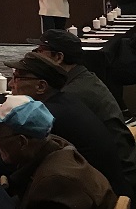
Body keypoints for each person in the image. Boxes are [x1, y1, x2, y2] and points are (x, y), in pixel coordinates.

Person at [5, 51, 132, 201]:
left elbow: (15, 159)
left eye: (17, 78)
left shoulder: (48, 116)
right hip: (105, 192)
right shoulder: (66, 101)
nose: (10, 84)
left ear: (41, 86)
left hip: (94, 203)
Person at [30, 29, 136, 197]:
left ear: (58, 57)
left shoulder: (72, 93)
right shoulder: (83, 78)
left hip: (116, 182)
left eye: (40, 51)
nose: (34, 55)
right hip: (119, 170)